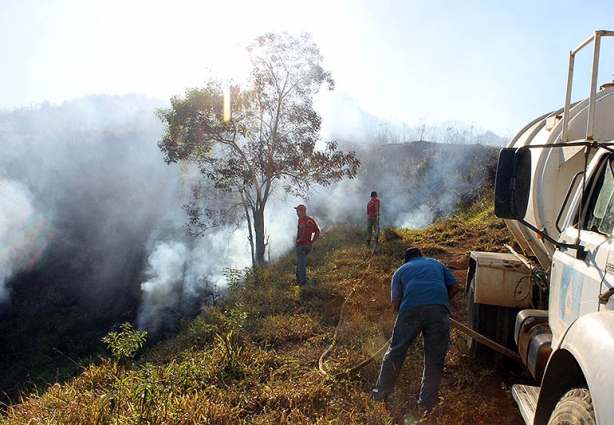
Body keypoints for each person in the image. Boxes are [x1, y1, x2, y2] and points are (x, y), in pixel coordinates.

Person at [372, 247, 459, 410]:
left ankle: (380, 396)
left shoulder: (401, 271)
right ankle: (426, 404)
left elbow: (395, 304)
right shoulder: (436, 264)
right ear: (420, 256)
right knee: (434, 357)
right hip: (439, 310)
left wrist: (409, 315)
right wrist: (440, 302)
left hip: (411, 310)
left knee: (396, 352)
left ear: (406, 260)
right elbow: (455, 286)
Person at [294, 204, 320, 286]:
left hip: (301, 244)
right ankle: (299, 280)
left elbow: (302, 227)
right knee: (301, 262)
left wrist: (301, 238)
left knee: (301, 263)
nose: (296, 213)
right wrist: (312, 241)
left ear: (302, 211)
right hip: (308, 245)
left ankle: (303, 282)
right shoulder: (311, 220)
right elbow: (318, 232)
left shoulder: (302, 218)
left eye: (297, 211)